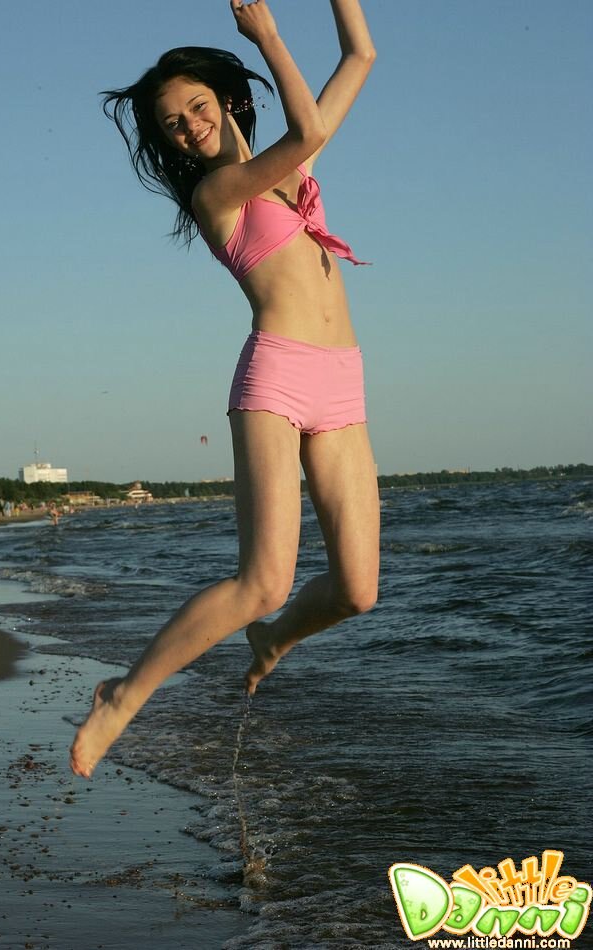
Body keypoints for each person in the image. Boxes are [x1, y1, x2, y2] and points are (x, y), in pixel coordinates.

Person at [70, 0, 379, 779]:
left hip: (341, 380)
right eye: (172, 122)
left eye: (197, 107)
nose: (188, 127)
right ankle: (123, 697)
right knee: (263, 579)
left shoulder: (289, 175)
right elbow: (306, 130)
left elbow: (361, 57)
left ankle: (275, 640)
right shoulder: (217, 195)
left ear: (226, 99)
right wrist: (268, 33)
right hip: (276, 373)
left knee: (356, 589)